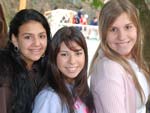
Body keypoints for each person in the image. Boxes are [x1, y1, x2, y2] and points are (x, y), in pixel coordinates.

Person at [89, 0, 150, 113]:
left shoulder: (132, 59)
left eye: (128, 27)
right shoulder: (109, 70)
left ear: (137, 28)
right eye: (113, 29)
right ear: (104, 34)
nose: (122, 37)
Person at [32, 26, 95, 113]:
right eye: (64, 54)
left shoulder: (79, 88)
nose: (72, 61)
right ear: (54, 57)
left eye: (78, 53)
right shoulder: (50, 98)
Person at [0, 9, 51, 113]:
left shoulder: (42, 67)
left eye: (41, 36)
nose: (37, 43)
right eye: (28, 37)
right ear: (15, 40)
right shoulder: (4, 71)